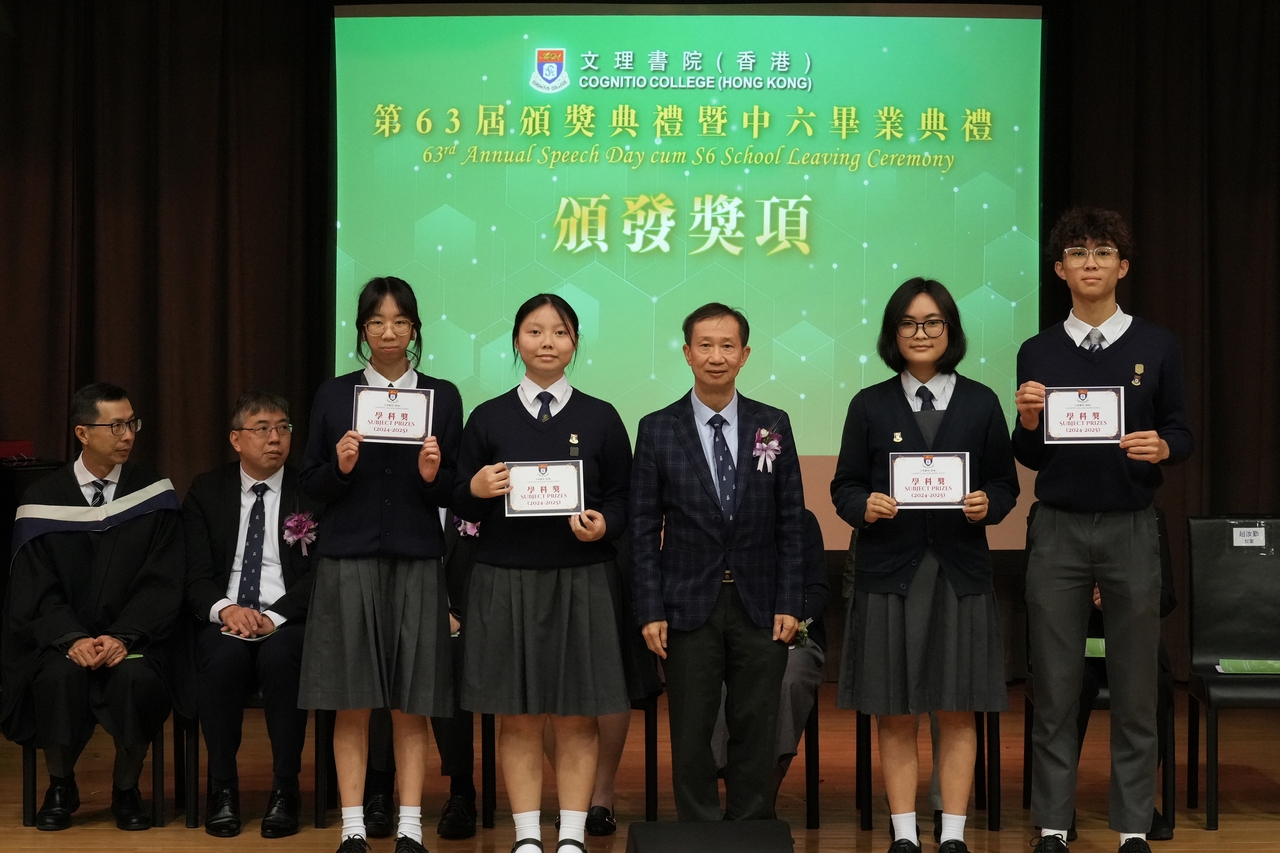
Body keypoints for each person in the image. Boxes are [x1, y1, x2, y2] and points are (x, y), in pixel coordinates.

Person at [1015, 208, 1192, 853]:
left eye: (1103, 252)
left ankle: (1132, 826)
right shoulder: (1037, 350)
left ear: (1123, 266)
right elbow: (1030, 456)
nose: (1090, 263)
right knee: (1055, 685)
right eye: (1078, 253)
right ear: (1060, 269)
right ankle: (1053, 823)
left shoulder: (1157, 346)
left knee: (1137, 685)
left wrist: (1162, 447)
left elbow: (1182, 431)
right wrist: (1026, 421)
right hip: (1057, 530)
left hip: (1131, 527)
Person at [831, 278, 1019, 853]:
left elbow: (1004, 484)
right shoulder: (869, 404)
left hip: (960, 574)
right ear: (893, 334)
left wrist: (989, 504)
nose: (920, 333)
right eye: (908, 323)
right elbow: (844, 487)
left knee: (957, 708)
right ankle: (906, 833)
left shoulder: (981, 402)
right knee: (894, 712)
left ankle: (954, 833)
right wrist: (864, 505)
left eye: (932, 322)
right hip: (891, 575)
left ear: (950, 330)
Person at [452, 293, 632, 853]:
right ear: (516, 341)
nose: (547, 342)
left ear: (575, 342)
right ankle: (528, 836)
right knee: (519, 719)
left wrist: (604, 525)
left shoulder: (601, 416)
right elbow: (460, 498)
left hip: (582, 578)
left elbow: (623, 498)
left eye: (559, 332)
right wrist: (476, 488)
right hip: (505, 579)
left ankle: (572, 835)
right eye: (534, 331)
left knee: (577, 717)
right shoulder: (488, 417)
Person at [298, 276, 463, 853]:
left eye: (399, 322)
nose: (388, 333)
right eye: (376, 322)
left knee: (412, 702)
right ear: (362, 329)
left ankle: (411, 825)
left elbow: (455, 489)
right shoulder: (334, 395)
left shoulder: (442, 396)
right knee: (352, 700)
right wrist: (340, 468)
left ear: (414, 329)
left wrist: (432, 477)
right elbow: (311, 483)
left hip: (416, 558)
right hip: (348, 559)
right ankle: (353, 826)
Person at [631, 302, 806, 822]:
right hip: (686, 604)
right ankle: (700, 829)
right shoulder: (658, 428)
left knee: (756, 721)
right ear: (687, 353)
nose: (716, 356)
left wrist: (790, 600)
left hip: (760, 602)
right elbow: (643, 527)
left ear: (745, 355)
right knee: (691, 727)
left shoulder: (771, 424)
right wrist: (650, 608)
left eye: (727, 346)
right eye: (704, 345)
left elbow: (790, 520)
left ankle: (751, 826)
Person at [2, 382, 183, 832]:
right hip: (63, 641)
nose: (128, 434)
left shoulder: (152, 494)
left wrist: (123, 635)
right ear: (82, 432)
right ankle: (61, 784)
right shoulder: (41, 499)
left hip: (133, 639)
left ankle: (127, 786)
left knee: (137, 679)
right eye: (116, 426)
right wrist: (72, 638)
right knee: (57, 677)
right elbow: (34, 589)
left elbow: (163, 579)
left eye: (132, 423)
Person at [182, 390, 321, 838]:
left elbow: (322, 573)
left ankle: (285, 787)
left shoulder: (310, 491)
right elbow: (192, 572)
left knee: (282, 658)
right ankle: (222, 787)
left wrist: (275, 616)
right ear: (236, 439)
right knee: (221, 660)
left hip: (287, 620)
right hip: (226, 618)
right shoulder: (207, 490)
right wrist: (226, 609)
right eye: (262, 429)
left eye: (283, 428)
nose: (275, 438)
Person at [711, 508, 830, 806]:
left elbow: (817, 590)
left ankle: (762, 798)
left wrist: (791, 623)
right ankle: (730, 790)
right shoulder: (716, 516)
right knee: (712, 678)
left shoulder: (802, 521)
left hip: (793, 636)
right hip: (728, 633)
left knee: (788, 679)